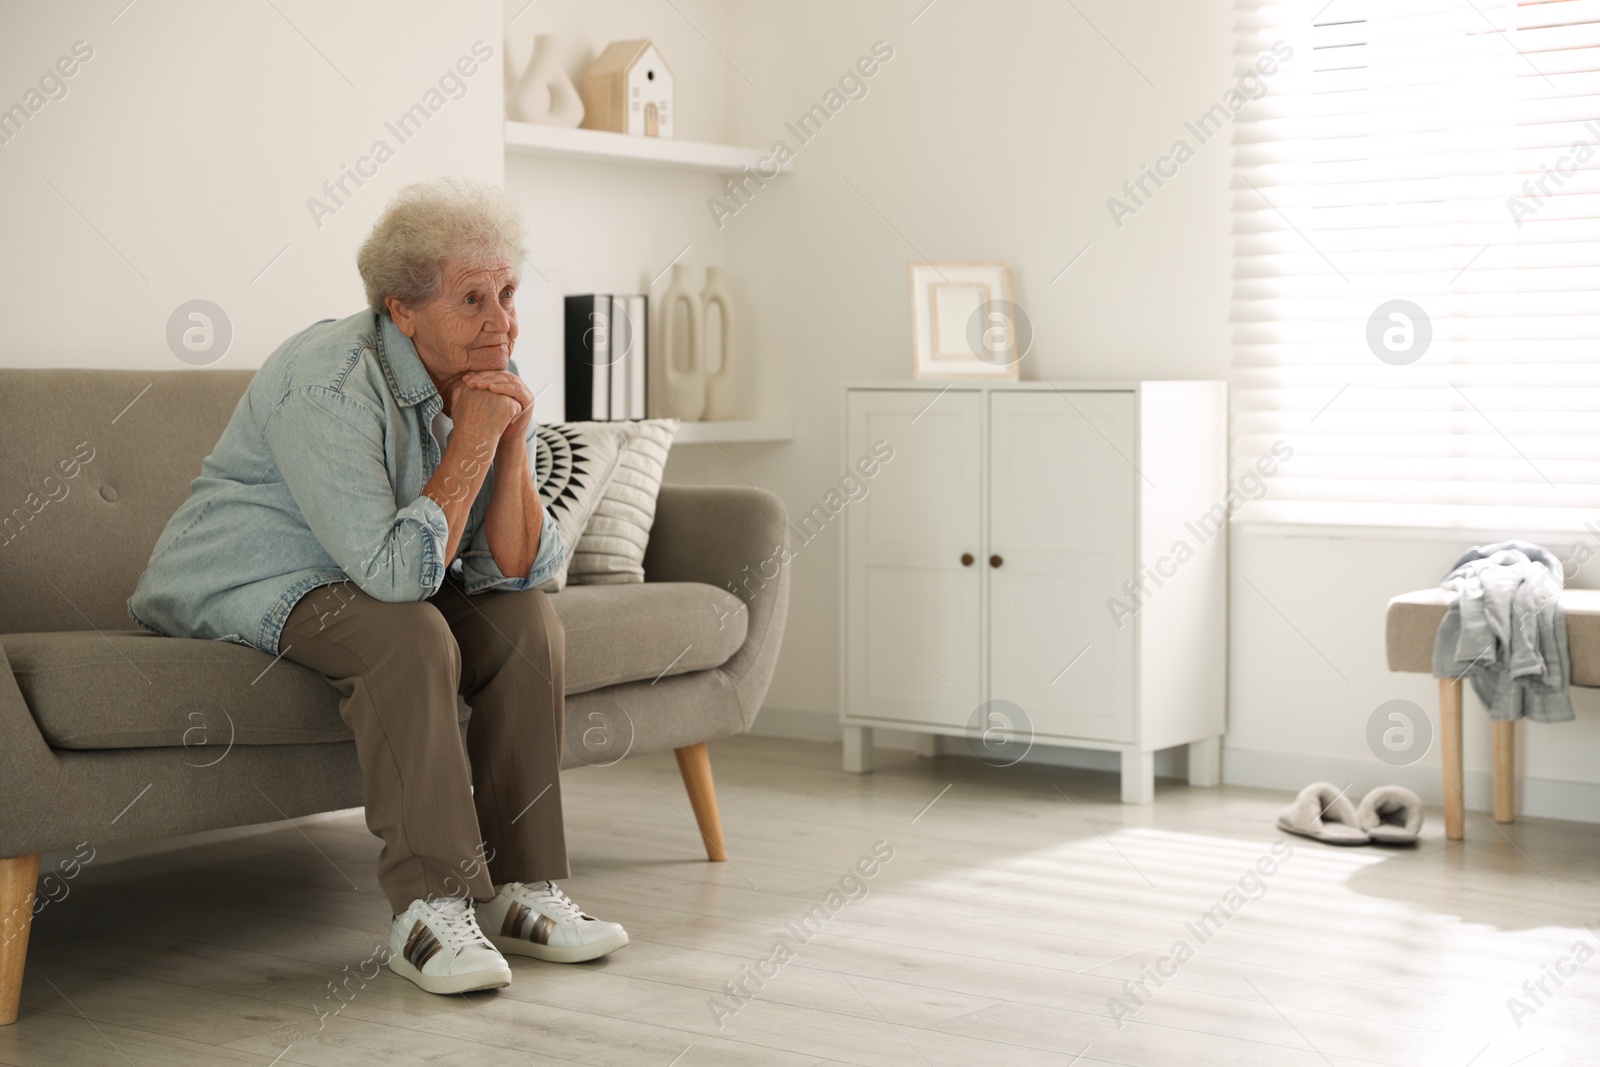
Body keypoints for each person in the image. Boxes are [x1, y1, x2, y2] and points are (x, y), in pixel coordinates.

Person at [128, 179, 626, 996]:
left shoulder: (481, 364)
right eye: (473, 298)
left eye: (506, 292)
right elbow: (396, 583)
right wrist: (471, 441)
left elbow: (524, 568)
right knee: (411, 636)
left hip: (371, 572)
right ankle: (429, 907)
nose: (502, 321)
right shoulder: (326, 381)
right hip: (256, 576)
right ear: (402, 310)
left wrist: (508, 446)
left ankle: (522, 891)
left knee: (526, 624)